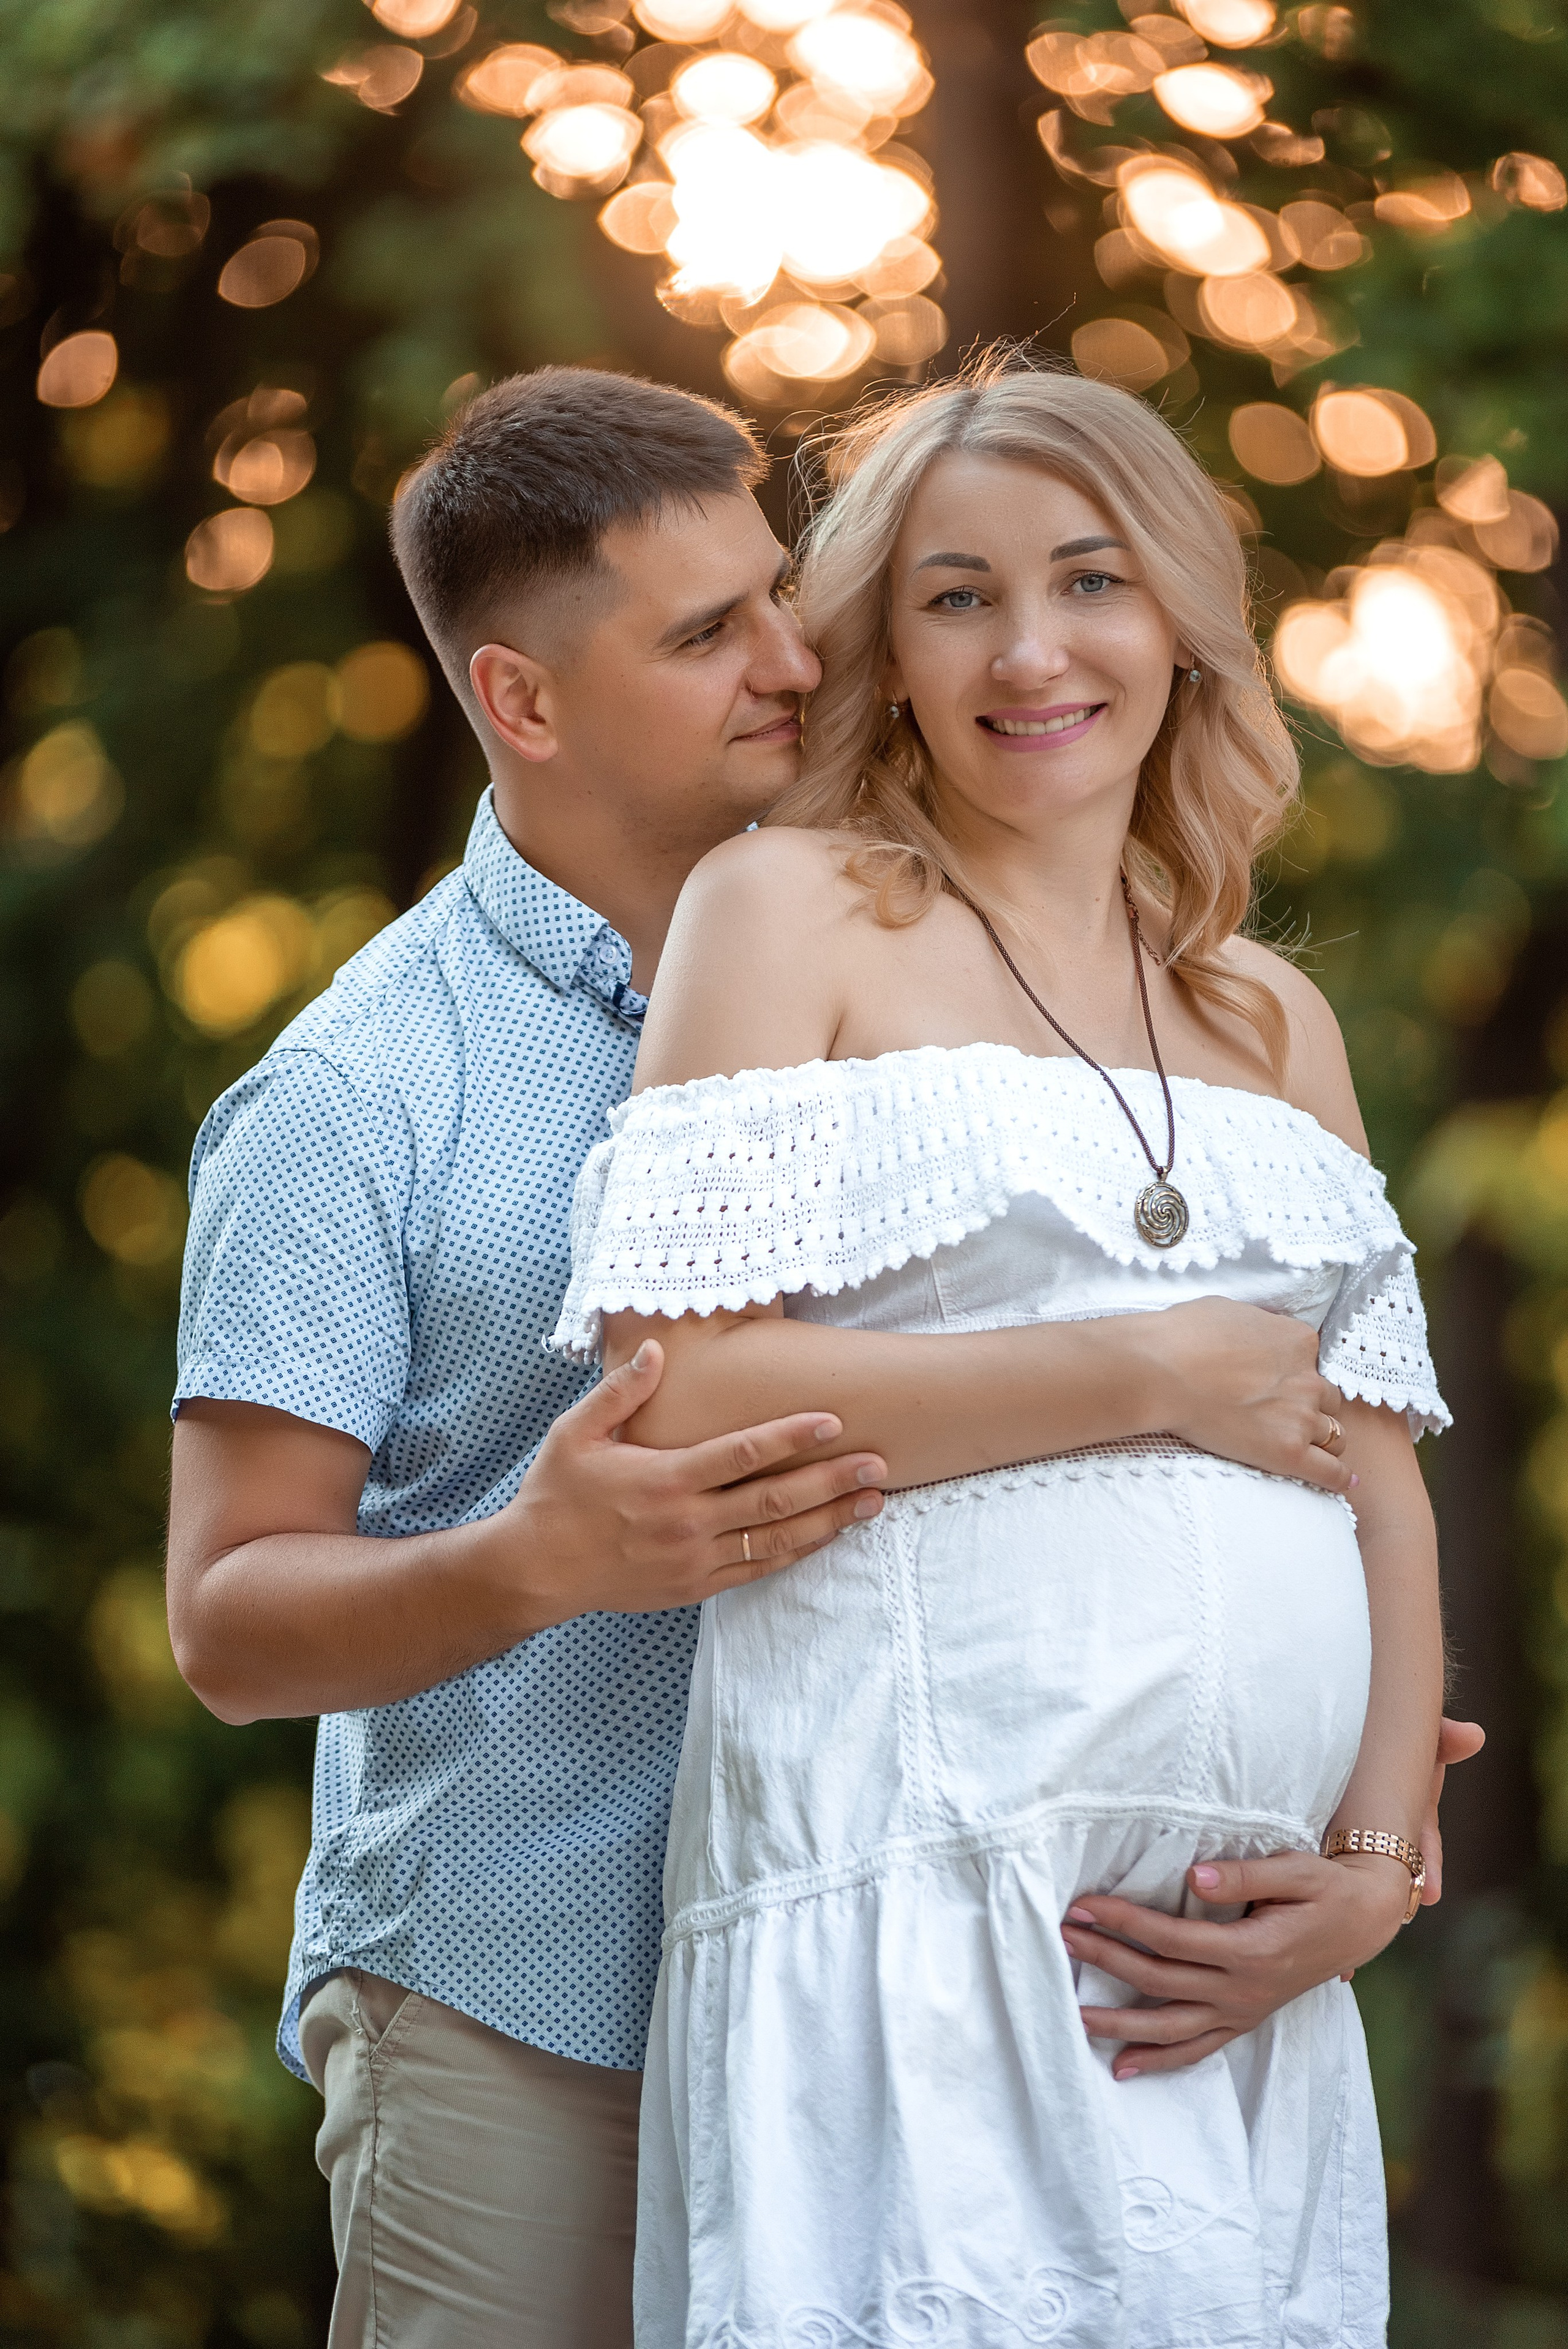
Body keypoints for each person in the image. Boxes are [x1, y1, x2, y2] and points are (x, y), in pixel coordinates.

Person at [165, 366, 1471, 2349]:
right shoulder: (362, 1095)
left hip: (1089, 1946)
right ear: (522, 698)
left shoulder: (1025, 950)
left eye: (787, 592)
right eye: (708, 635)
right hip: (551, 1979)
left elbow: (1320, 1423)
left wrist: (1345, 1777)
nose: (798, 655)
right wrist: (538, 1555)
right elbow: (233, 1614)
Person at [554, 354, 1450, 2345]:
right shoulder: (792, 910)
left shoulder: (1270, 1018)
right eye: (957, 593)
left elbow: (1374, 1467)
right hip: (909, 1900)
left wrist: (1376, 1863)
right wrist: (1147, 1366)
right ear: (885, 638)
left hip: (1229, 1980)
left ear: (1184, 623)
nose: (1031, 647)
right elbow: (679, 1388)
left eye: (1089, 578)